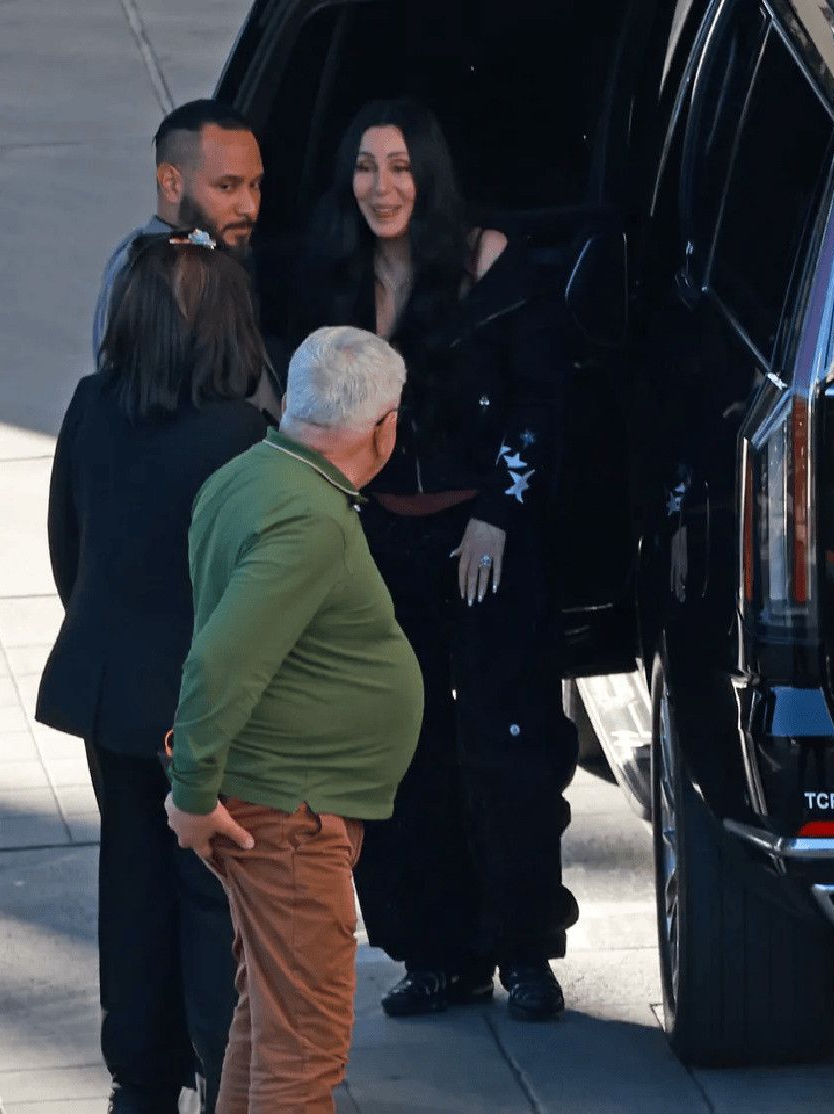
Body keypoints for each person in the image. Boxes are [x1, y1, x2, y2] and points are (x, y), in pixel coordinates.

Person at [292, 99, 579, 1021]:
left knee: (508, 743)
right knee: (399, 751)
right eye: (366, 166)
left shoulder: (490, 263)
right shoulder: (332, 280)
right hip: (379, 541)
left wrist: (500, 513)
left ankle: (525, 950)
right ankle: (435, 955)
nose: (382, 186)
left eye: (401, 166)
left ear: (430, 175)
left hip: (482, 540)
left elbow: (540, 401)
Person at [36, 233, 273, 1113]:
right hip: (204, 705)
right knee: (211, 897)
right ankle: (221, 1072)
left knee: (131, 881)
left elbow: (68, 546)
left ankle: (139, 1075)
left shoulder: (92, 406)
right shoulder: (242, 435)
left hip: (112, 695)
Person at [163, 325, 423, 1114]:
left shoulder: (248, 475)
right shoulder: (308, 518)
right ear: (383, 428)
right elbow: (220, 660)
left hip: (273, 801)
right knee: (305, 1051)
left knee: (269, 1029)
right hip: (290, 815)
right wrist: (191, 793)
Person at [92, 98, 280, 419]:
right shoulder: (155, 277)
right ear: (171, 183)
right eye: (227, 186)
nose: (249, 206)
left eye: (255, 185)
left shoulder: (212, 256)